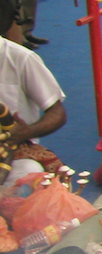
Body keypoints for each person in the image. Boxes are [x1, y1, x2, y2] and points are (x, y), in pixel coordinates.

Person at [0, 34, 66, 183]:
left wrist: (24, 133)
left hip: (11, 150)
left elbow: (57, 113)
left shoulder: (22, 58)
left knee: (30, 172)